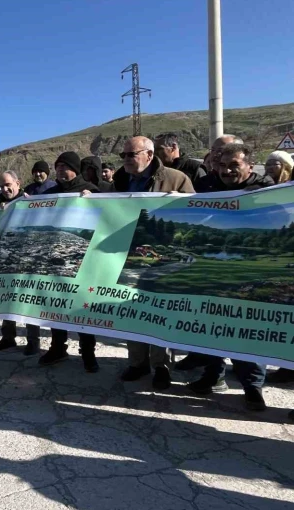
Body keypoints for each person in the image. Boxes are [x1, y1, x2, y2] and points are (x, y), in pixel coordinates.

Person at [186, 144, 273, 411]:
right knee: (212, 324)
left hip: (252, 269)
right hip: (211, 269)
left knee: (247, 329)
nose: (227, 170)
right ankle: (212, 376)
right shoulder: (206, 185)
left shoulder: (267, 189)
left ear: (249, 165)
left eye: (234, 165)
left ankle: (252, 388)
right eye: (222, 165)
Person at [112, 136, 195, 390]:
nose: (125, 159)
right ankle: (137, 363)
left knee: (158, 312)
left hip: (160, 257)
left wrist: (179, 202)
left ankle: (161, 366)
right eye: (123, 155)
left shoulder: (175, 178)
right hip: (126, 256)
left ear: (148, 154)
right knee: (129, 311)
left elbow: (195, 212)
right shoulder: (119, 180)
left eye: (130, 154)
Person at [39, 152, 100, 372]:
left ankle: (88, 352)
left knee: (81, 308)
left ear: (75, 168)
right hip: (55, 261)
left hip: (82, 262)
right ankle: (57, 348)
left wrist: (93, 200)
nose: (60, 170)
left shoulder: (89, 190)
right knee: (55, 306)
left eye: (65, 166)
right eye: (58, 166)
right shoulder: (52, 193)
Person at [0, 171, 41, 355]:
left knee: (28, 301)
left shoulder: (30, 201)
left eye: (8, 184)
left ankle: (33, 341)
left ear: (18, 183)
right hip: (7, 259)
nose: (5, 189)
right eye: (1, 186)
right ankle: (8, 337)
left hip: (28, 260)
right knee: (6, 299)